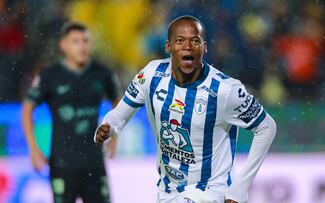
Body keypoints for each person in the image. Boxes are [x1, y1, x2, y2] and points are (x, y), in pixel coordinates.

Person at [95, 15, 277, 203]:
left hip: (210, 192)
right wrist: (109, 126)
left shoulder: (224, 90)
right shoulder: (151, 75)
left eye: (195, 41)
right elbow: (120, 113)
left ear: (204, 47)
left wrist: (240, 188)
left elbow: (266, 127)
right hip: (167, 191)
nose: (187, 47)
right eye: (180, 41)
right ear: (168, 46)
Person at [22, 22, 120, 203]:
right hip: (62, 163)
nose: (82, 46)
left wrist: (115, 136)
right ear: (63, 45)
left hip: (94, 163)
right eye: (75, 41)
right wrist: (34, 149)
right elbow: (27, 109)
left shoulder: (102, 73)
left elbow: (119, 101)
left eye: (85, 41)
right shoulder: (49, 75)